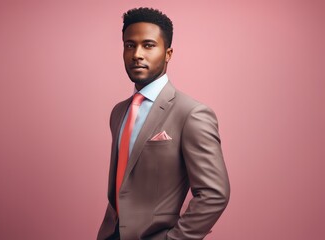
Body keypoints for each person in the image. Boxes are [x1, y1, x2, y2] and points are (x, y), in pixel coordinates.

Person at [97, 7, 230, 240]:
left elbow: (214, 194)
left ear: (168, 54)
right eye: (130, 45)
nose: (137, 54)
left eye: (148, 45)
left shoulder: (191, 114)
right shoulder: (119, 112)